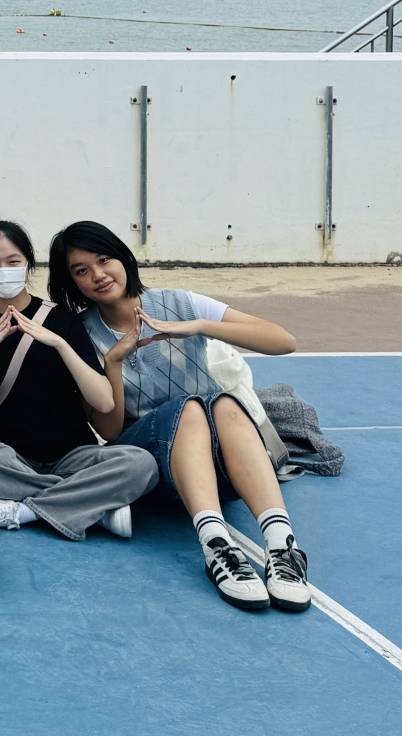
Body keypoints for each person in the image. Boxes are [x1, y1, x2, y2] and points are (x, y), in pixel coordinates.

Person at [55, 221, 312, 612]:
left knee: (225, 403)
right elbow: (108, 428)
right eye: (81, 270)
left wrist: (201, 326)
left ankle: (282, 547)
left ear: (122, 257)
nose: (98, 275)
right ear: (72, 282)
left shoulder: (179, 303)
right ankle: (217, 547)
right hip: (153, 472)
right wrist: (113, 363)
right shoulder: (82, 332)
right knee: (189, 409)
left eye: (104, 260)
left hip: (222, 470)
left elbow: (284, 341)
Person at [0, 222, 158, 542]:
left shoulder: (62, 319)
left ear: (28, 264)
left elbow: (104, 402)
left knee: (141, 464)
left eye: (13, 261)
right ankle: (91, 505)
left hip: (74, 456)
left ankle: (22, 510)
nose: (3, 270)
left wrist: (59, 344)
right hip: (6, 456)